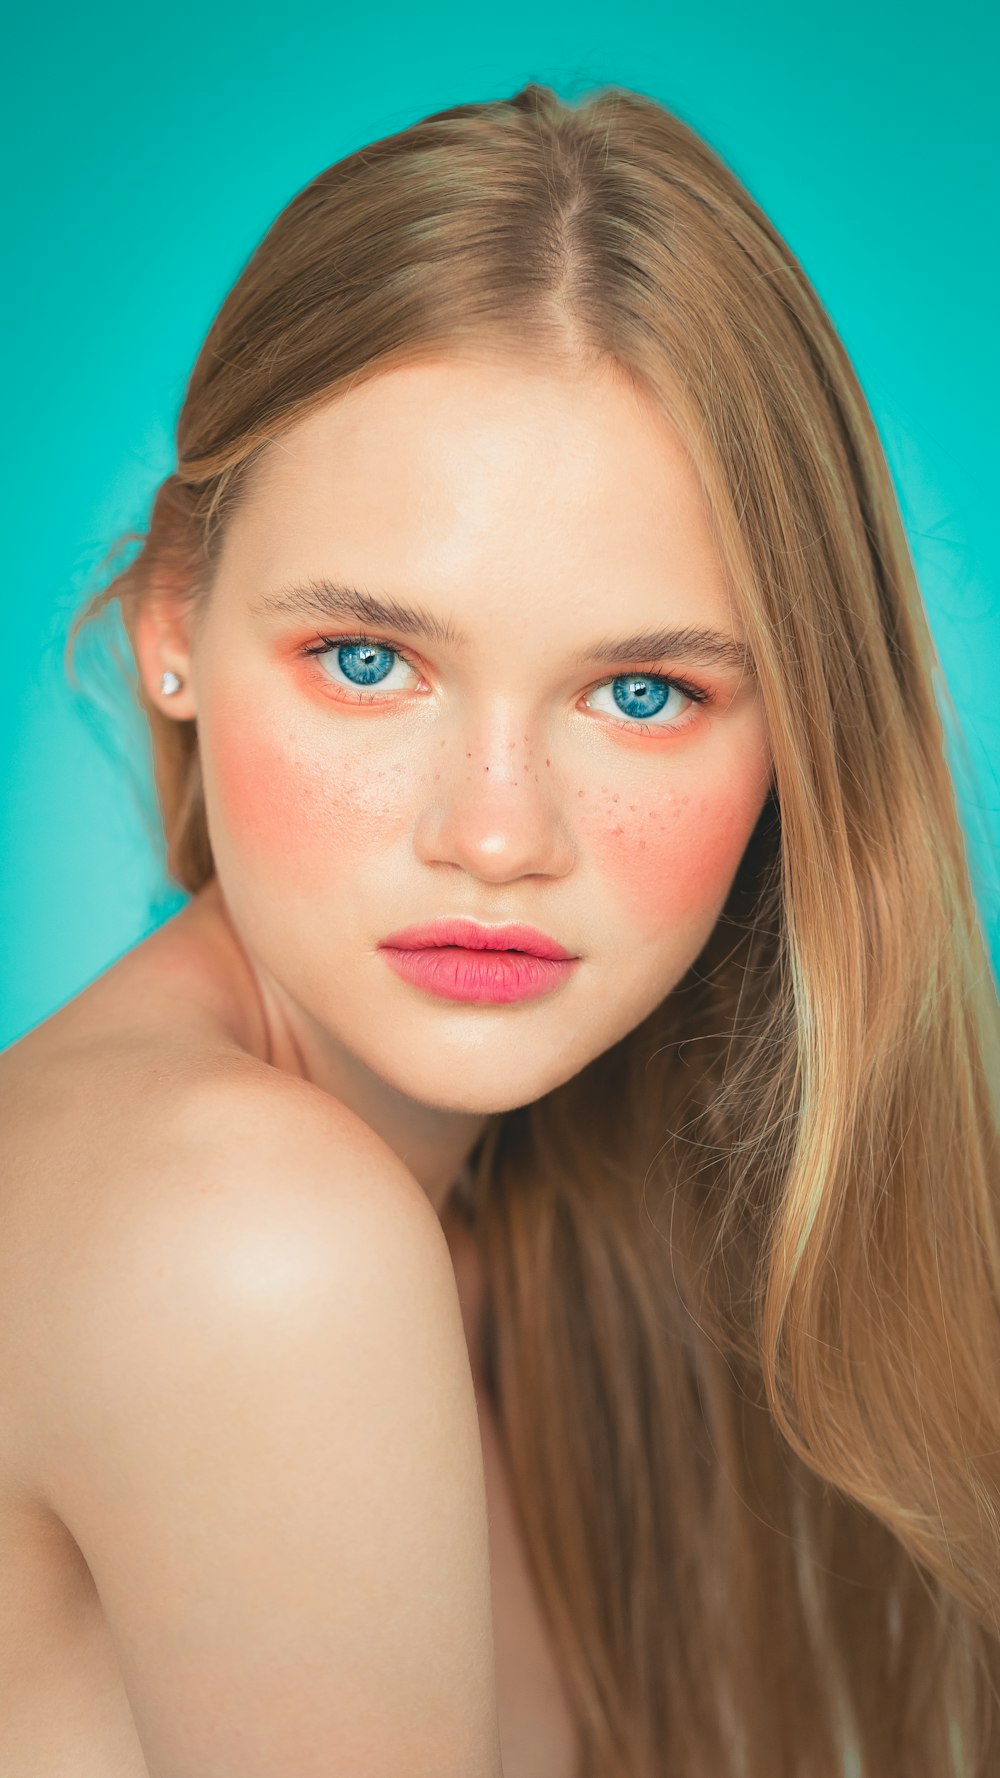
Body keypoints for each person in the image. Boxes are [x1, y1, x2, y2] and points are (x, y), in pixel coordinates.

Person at [1, 79, 997, 1778]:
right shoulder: (253, 1238)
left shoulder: (525, 1234)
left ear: (802, 731)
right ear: (174, 613)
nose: (493, 832)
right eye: (370, 661)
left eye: (640, 689)